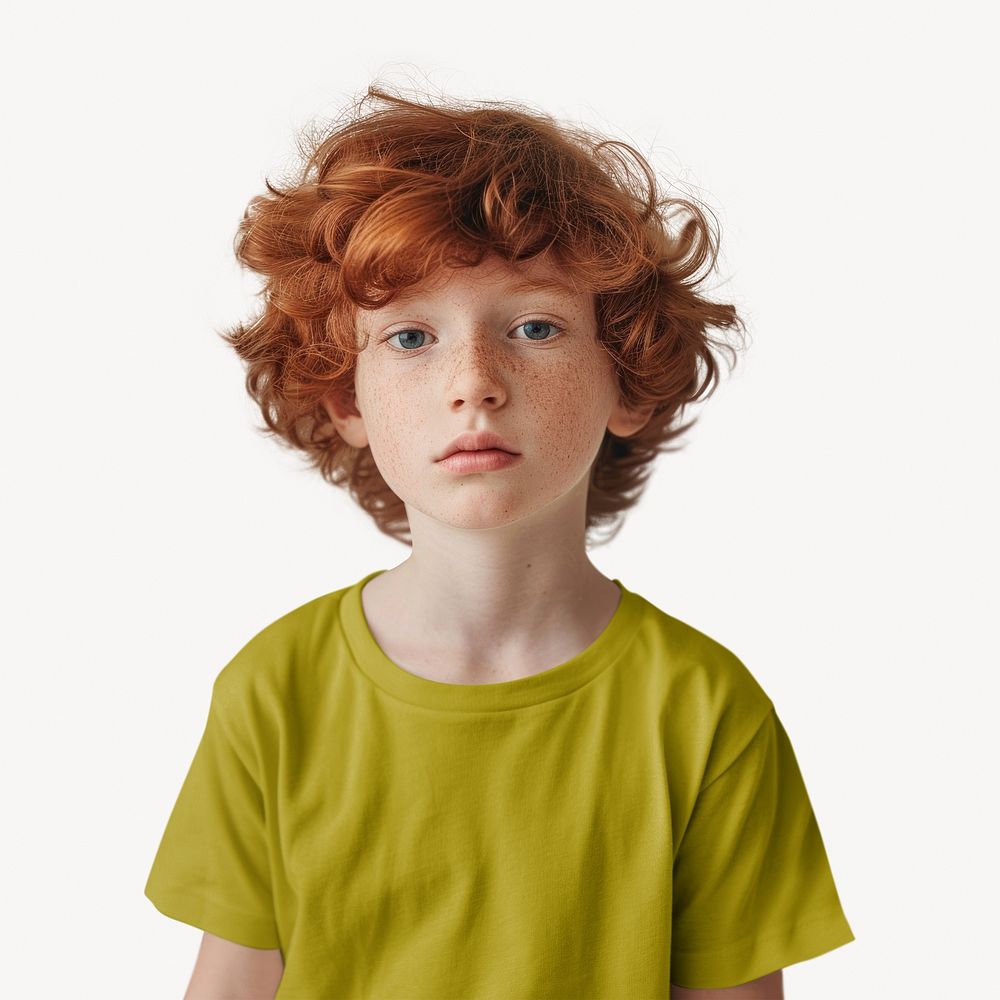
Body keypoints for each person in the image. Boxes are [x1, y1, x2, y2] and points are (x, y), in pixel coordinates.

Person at [144, 83, 855, 999]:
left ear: (628, 378)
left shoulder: (704, 712)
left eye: (533, 327)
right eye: (409, 337)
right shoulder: (274, 694)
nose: (473, 382)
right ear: (345, 399)